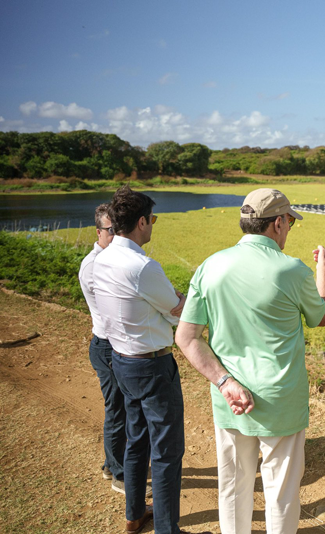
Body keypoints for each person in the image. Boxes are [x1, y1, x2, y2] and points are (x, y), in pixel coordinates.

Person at [175, 188, 325, 534]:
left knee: (233, 484)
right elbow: (321, 316)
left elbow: (186, 338)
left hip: (230, 398)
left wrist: (225, 382)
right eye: (290, 221)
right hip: (282, 399)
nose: (289, 228)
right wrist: (323, 267)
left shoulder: (210, 265)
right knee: (282, 490)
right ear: (277, 223)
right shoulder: (291, 270)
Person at [93, 185, 203, 534]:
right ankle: (167, 530)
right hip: (153, 365)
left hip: (121, 359)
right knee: (167, 452)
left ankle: (134, 512)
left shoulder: (102, 258)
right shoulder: (143, 266)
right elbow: (177, 311)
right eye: (152, 219)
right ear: (141, 222)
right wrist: (184, 300)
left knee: (137, 439)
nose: (153, 225)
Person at [78, 202, 130, 493]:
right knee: (118, 410)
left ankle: (112, 464)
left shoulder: (110, 259)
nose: (117, 235)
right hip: (107, 347)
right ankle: (120, 475)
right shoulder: (94, 265)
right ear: (98, 231)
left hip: (113, 345)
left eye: (120, 229)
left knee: (120, 408)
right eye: (112, 231)